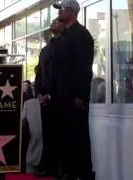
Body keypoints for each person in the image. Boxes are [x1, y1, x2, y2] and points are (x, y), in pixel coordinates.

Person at [49, 0, 95, 179]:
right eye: (59, 9)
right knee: (63, 140)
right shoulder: (63, 36)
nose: (59, 12)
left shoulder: (81, 34)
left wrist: (80, 95)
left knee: (78, 140)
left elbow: (84, 68)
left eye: (62, 9)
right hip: (60, 97)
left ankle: (81, 175)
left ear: (72, 11)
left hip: (74, 98)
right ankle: (66, 173)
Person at [34, 18, 65, 176]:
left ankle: (61, 171)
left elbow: (64, 76)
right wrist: (38, 93)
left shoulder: (67, 48)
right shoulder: (45, 50)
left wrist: (50, 96)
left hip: (60, 100)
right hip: (44, 101)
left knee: (61, 136)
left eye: (57, 21)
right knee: (47, 134)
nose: (53, 23)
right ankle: (48, 168)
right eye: (52, 22)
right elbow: (39, 72)